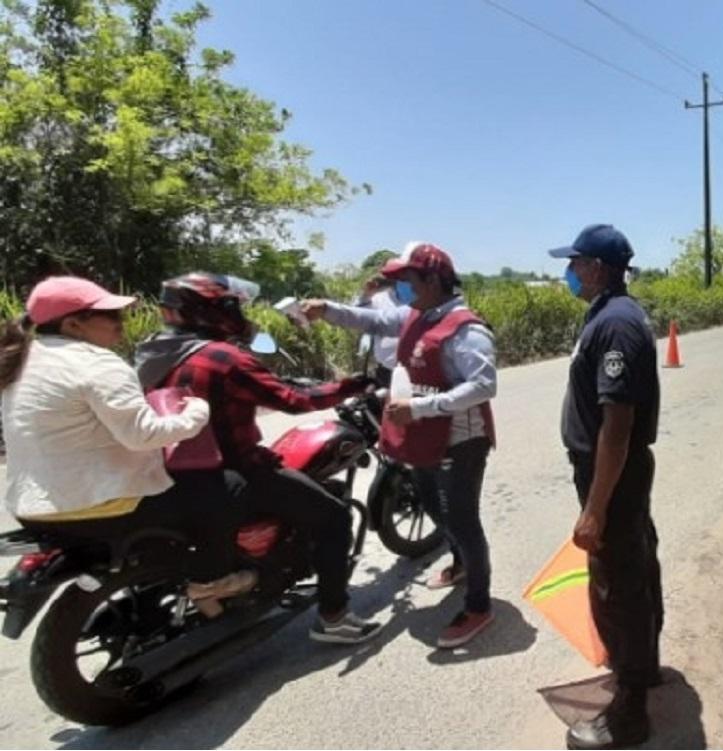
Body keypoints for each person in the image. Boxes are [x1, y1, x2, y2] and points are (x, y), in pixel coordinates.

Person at [134, 272, 382, 645]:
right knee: (333, 517)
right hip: (235, 469)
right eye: (232, 306)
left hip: (172, 471)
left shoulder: (151, 352)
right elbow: (296, 401)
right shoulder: (221, 357)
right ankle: (334, 617)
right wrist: (352, 385)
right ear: (214, 310)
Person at [2, 276, 253, 612]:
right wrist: (196, 412)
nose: (122, 323)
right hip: (97, 504)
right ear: (74, 324)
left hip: (31, 509)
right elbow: (143, 435)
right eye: (111, 316)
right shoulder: (96, 362)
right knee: (229, 488)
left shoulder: (19, 361)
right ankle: (209, 583)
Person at [303, 242, 498, 648]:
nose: (402, 291)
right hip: (424, 436)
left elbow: (483, 385)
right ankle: (461, 562)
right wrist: (328, 310)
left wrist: (423, 406)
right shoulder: (415, 315)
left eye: (407, 282)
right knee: (429, 504)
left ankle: (479, 605)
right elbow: (371, 320)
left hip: (460, 440)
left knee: (462, 520)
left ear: (432, 280)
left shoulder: (465, 329)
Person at [548, 225, 664, 750]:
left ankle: (630, 710)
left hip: (610, 473)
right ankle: (644, 667)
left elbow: (617, 427)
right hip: (612, 472)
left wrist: (594, 509)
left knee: (617, 585)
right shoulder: (609, 313)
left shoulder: (616, 324)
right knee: (636, 564)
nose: (568, 273)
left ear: (595, 267)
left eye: (573, 264)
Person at [355, 272, 405, 388]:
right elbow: (358, 316)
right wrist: (366, 294)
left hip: (416, 371)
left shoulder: (421, 297)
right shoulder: (377, 298)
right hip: (386, 369)